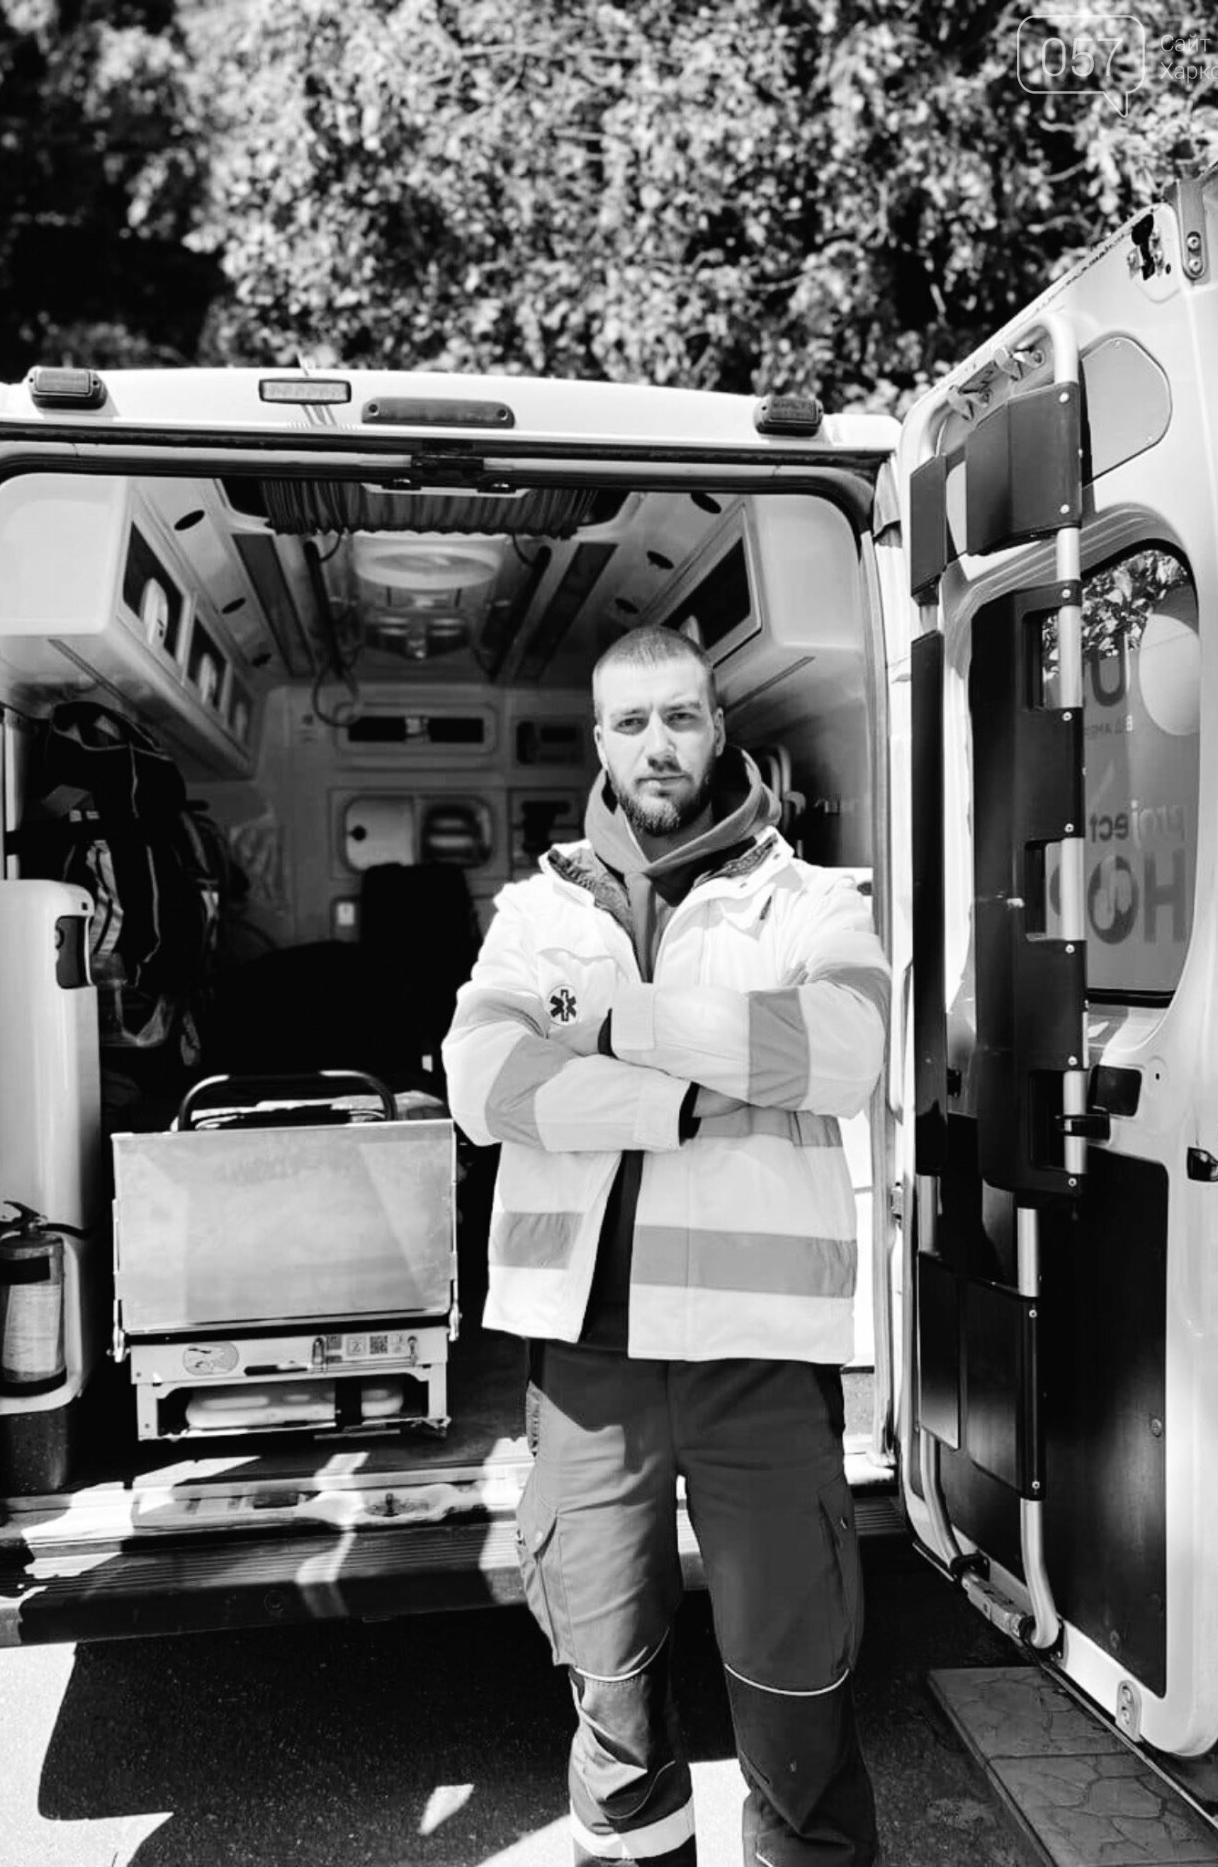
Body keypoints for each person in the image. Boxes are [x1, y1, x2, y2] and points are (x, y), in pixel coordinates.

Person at [443, 624, 888, 1866]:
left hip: (759, 1358)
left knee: (796, 1686)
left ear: (716, 726)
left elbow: (844, 1053)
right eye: (631, 721)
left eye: (680, 717)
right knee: (610, 1687)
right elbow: (482, 1084)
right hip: (586, 1363)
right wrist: (685, 1099)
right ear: (598, 739)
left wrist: (612, 1023)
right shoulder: (533, 913)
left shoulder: (813, 901)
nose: (657, 744)